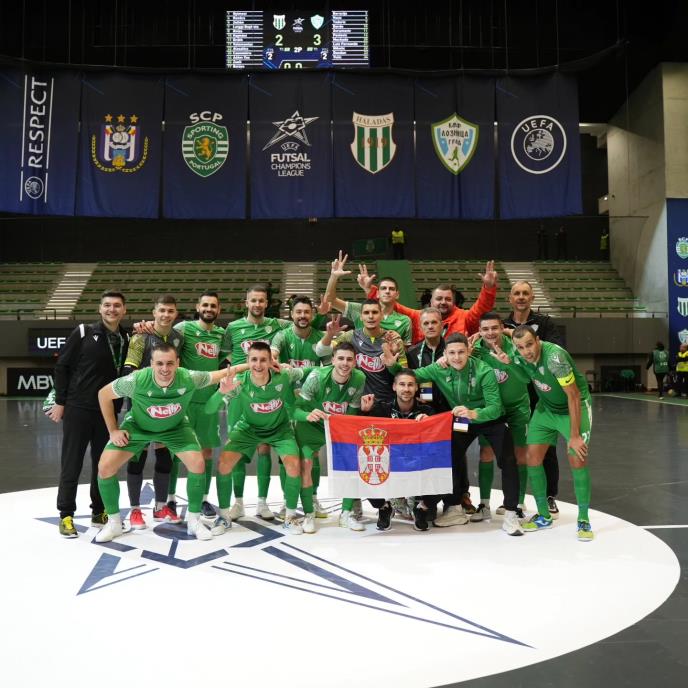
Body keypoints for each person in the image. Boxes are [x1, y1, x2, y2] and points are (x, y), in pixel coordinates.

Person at [94, 343, 233, 542]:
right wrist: (113, 430)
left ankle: (194, 522)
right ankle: (114, 523)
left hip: (175, 428)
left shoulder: (188, 377)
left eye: (169, 363)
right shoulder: (137, 380)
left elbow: (220, 374)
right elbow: (103, 394)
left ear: (177, 363)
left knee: (198, 463)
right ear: (151, 364)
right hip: (138, 427)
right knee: (105, 467)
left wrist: (251, 365)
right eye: (159, 363)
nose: (165, 368)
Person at [405, 333, 523, 536]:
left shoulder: (484, 370)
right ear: (445, 354)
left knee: (508, 460)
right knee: (448, 457)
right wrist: (393, 364)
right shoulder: (439, 368)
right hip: (463, 421)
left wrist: (473, 413)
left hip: (489, 419)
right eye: (452, 353)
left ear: (468, 351)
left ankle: (511, 513)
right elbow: (409, 376)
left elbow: (495, 407)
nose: (457, 357)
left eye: (461, 352)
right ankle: (454, 508)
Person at [206, 342, 309, 535]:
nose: (258, 364)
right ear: (248, 361)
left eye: (263, 360)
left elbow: (311, 371)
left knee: (294, 465)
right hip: (249, 429)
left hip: (280, 430)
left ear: (271, 361)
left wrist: (292, 369)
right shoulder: (240, 381)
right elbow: (209, 409)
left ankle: (290, 517)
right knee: (224, 463)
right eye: (254, 359)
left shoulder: (284, 375)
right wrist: (221, 392)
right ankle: (224, 517)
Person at [49, 290, 129, 538]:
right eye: (107, 305)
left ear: (124, 310)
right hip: (79, 408)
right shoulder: (84, 332)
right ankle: (66, 515)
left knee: (102, 464)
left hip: (108, 412)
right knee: (71, 463)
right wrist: (61, 401)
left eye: (117, 305)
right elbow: (62, 366)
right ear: (100, 308)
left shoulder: (127, 337)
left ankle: (99, 511)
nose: (112, 309)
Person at [502, 325, 594, 542]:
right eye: (520, 347)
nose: (526, 351)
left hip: (573, 408)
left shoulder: (555, 359)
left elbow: (573, 395)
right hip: (546, 409)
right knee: (532, 458)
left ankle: (583, 518)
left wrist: (574, 436)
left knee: (577, 458)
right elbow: (512, 335)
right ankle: (544, 515)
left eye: (529, 345)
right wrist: (505, 332)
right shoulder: (518, 352)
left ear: (538, 340)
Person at [292, 342, 369, 533]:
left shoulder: (359, 378)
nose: (345, 363)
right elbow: (295, 409)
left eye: (349, 359)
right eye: (340, 358)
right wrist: (307, 415)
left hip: (338, 425)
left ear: (355, 362)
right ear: (332, 360)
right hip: (311, 424)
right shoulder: (316, 377)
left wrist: (345, 424)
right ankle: (309, 514)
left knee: (351, 462)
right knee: (306, 464)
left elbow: (351, 414)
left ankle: (346, 514)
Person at [123, 294, 185, 530]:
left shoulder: (178, 338)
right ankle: (135, 510)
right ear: (154, 312)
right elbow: (129, 370)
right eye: (162, 310)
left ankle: (160, 507)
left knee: (164, 455)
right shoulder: (140, 336)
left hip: (166, 407)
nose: (166, 315)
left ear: (175, 313)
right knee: (137, 457)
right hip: (141, 406)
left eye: (170, 311)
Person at [503, 280, 562, 518]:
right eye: (516, 293)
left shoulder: (545, 323)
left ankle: (549, 496)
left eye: (525, 293)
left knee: (546, 447)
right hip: (514, 396)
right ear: (510, 298)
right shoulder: (501, 325)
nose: (521, 297)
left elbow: (555, 350)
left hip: (541, 394)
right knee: (514, 450)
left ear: (532, 297)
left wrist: (517, 337)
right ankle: (516, 499)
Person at [271, 295, 332, 518]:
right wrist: (276, 361)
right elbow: (273, 355)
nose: (303, 316)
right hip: (285, 403)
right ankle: (286, 501)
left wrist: (302, 375)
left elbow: (328, 369)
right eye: (298, 312)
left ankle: (313, 498)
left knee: (311, 453)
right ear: (291, 315)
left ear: (312, 314)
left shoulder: (320, 339)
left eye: (306, 312)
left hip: (310, 404)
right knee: (286, 455)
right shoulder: (282, 336)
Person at [168, 290, 226, 520]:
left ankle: (202, 498)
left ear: (218, 310)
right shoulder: (183, 329)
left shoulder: (221, 334)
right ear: (198, 307)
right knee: (176, 451)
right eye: (205, 305)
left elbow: (225, 361)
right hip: (183, 400)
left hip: (208, 401)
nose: (209, 309)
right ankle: (170, 499)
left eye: (213, 306)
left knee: (206, 451)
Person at [469, 313, 531, 522]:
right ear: (480, 331)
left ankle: (518, 503)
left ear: (502, 327)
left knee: (519, 454)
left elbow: (527, 377)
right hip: (491, 408)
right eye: (485, 329)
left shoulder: (516, 346)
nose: (490, 333)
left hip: (517, 407)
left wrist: (510, 360)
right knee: (486, 453)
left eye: (494, 328)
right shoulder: (474, 350)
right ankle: (484, 504)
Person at [359, 369, 435, 532]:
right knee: (363, 469)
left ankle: (421, 507)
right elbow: (362, 433)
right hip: (389, 464)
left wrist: (430, 424)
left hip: (416, 464)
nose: (406, 389)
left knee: (446, 471)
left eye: (410, 385)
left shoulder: (427, 411)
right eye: (402, 384)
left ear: (416, 388)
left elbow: (436, 442)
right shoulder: (381, 409)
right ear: (394, 387)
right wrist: (365, 412)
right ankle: (384, 507)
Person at [362, 259, 498, 344]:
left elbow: (481, 309)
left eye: (448, 299)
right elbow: (391, 304)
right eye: (438, 299)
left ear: (454, 302)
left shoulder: (464, 317)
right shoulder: (418, 316)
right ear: (431, 302)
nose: (443, 302)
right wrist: (371, 291)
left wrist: (489, 288)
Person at [315, 302, 406, 404]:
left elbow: (406, 374)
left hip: (387, 402)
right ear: (361, 317)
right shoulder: (350, 336)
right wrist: (329, 334)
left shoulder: (393, 340)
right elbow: (321, 351)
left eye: (375, 312)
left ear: (381, 316)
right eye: (366, 313)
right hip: (358, 402)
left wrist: (393, 365)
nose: (370, 316)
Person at [325, 251, 412, 344]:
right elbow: (330, 301)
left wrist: (399, 342)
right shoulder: (360, 309)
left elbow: (407, 349)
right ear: (377, 293)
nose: (387, 291)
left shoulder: (405, 321)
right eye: (383, 288)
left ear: (397, 294)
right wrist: (333, 277)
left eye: (391, 289)